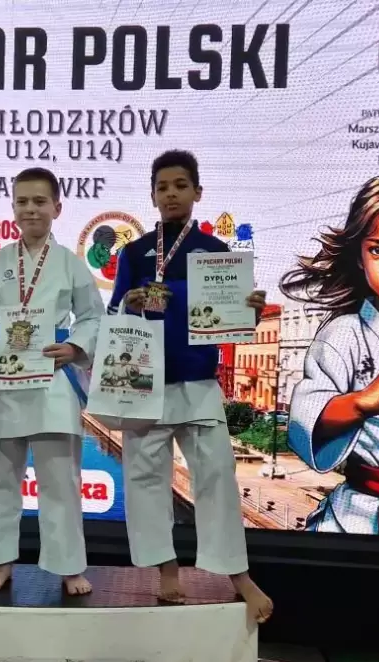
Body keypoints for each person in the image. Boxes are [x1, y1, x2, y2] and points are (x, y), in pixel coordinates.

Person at [108, 150, 273, 623]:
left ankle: (237, 574)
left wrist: (249, 312)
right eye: (162, 187)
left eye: (180, 185)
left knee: (218, 477)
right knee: (145, 481)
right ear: (152, 196)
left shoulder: (216, 252)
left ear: (197, 192)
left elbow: (230, 324)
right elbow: (113, 316)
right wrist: (129, 304)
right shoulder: (134, 253)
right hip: (144, 383)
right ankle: (166, 569)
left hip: (198, 380)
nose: (171, 194)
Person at [0, 167, 103, 596]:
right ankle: (0, 562)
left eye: (40, 201)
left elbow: (93, 316)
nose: (31, 209)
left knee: (60, 482)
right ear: (13, 208)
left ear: (57, 207)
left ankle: (69, 566)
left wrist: (75, 346)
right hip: (3, 381)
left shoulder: (70, 264)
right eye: (22, 201)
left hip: (52, 382)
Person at [280, 169, 379, 536]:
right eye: (378, 250)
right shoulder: (344, 334)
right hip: (361, 517)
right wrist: (360, 402)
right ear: (358, 257)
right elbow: (304, 422)